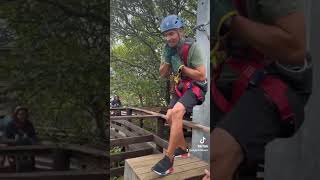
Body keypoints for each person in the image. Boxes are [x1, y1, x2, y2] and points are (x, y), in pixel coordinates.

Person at [209, 0, 312, 179]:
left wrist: (230, 22)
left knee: (216, 155)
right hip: (230, 77)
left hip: (277, 78)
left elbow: (295, 49)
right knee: (197, 149)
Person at [151, 14, 207, 176]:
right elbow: (162, 73)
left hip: (197, 86)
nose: (169, 38)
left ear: (180, 32)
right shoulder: (167, 49)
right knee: (169, 116)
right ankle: (182, 149)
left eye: (172, 33)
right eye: (166, 35)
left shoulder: (193, 47)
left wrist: (181, 67)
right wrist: (168, 60)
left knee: (176, 113)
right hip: (180, 87)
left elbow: (202, 76)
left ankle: (168, 160)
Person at [6, 106, 37, 171]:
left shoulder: (29, 124)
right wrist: (14, 136)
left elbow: (33, 134)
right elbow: (7, 136)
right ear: (16, 115)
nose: (22, 116)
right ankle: (16, 166)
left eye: (24, 114)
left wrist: (28, 136)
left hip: (27, 145)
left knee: (30, 149)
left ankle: (31, 167)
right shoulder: (11, 124)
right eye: (20, 114)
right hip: (14, 146)